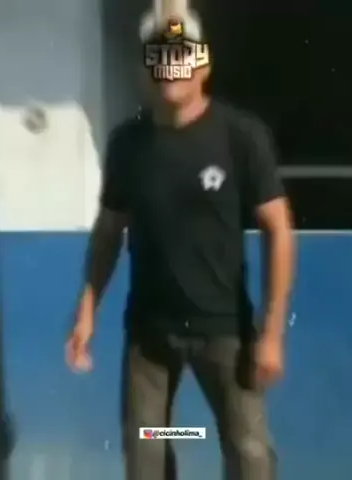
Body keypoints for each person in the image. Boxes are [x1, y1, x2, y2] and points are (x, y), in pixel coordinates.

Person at [66, 11, 295, 480]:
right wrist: (87, 312)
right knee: (148, 448)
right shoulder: (128, 145)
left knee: (248, 450)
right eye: (159, 56)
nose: (171, 67)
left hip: (226, 333)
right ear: (145, 69)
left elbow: (279, 229)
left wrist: (271, 333)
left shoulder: (239, 136)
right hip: (150, 338)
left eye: (182, 55)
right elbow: (108, 233)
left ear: (203, 65)